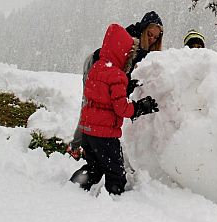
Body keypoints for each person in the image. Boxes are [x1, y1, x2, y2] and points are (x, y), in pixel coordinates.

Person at [69, 23, 158, 195]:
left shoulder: (96, 69)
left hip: (89, 132)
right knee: (116, 172)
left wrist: (125, 88)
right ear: (123, 53)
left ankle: (73, 189)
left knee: (93, 168)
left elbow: (104, 96)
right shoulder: (117, 75)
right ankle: (114, 203)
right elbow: (121, 108)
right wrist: (140, 107)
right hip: (105, 136)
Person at [67, 11, 163, 158]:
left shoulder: (147, 49)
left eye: (156, 37)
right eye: (150, 34)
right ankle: (77, 145)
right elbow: (120, 71)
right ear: (144, 29)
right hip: (94, 65)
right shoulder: (132, 41)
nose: (152, 39)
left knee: (99, 108)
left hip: (107, 70)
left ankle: (91, 145)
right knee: (91, 105)